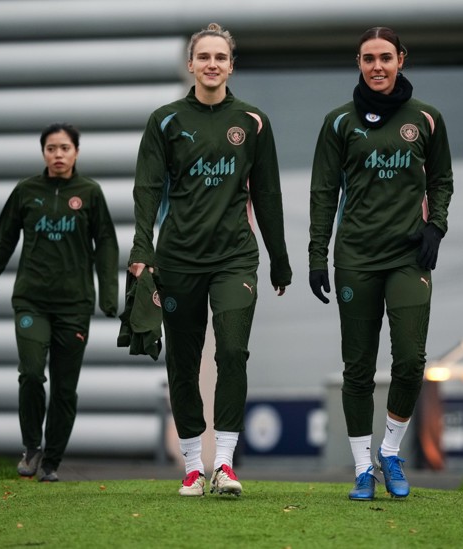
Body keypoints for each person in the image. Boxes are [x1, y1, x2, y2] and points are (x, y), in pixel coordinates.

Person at [128, 23, 292, 497]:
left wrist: (279, 259)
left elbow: (268, 194)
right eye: (204, 57)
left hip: (235, 259)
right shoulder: (165, 120)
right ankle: (192, 467)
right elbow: (146, 191)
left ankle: (224, 463)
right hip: (177, 259)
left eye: (221, 57)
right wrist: (142, 249)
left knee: (233, 351)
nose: (213, 64)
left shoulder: (254, 121)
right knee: (182, 363)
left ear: (231, 65)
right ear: (191, 64)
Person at [307, 27, 453, 500]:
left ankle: (390, 451)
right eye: (368, 58)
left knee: (411, 360)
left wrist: (436, 228)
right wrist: (317, 256)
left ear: (401, 60)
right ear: (358, 63)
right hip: (355, 258)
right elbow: (323, 194)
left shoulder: (427, 119)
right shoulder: (338, 123)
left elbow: (443, 180)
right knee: (358, 369)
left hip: (408, 257)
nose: (377, 66)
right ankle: (362, 468)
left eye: (385, 57)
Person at [0, 123, 119, 482]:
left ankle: (52, 460)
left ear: (76, 153)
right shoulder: (27, 192)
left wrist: (109, 295)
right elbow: (3, 239)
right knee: (30, 373)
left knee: (65, 388)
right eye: (52, 148)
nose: (58, 154)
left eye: (65, 148)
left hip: (75, 306)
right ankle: (31, 447)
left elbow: (105, 243)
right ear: (43, 153)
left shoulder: (90, 193)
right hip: (31, 302)